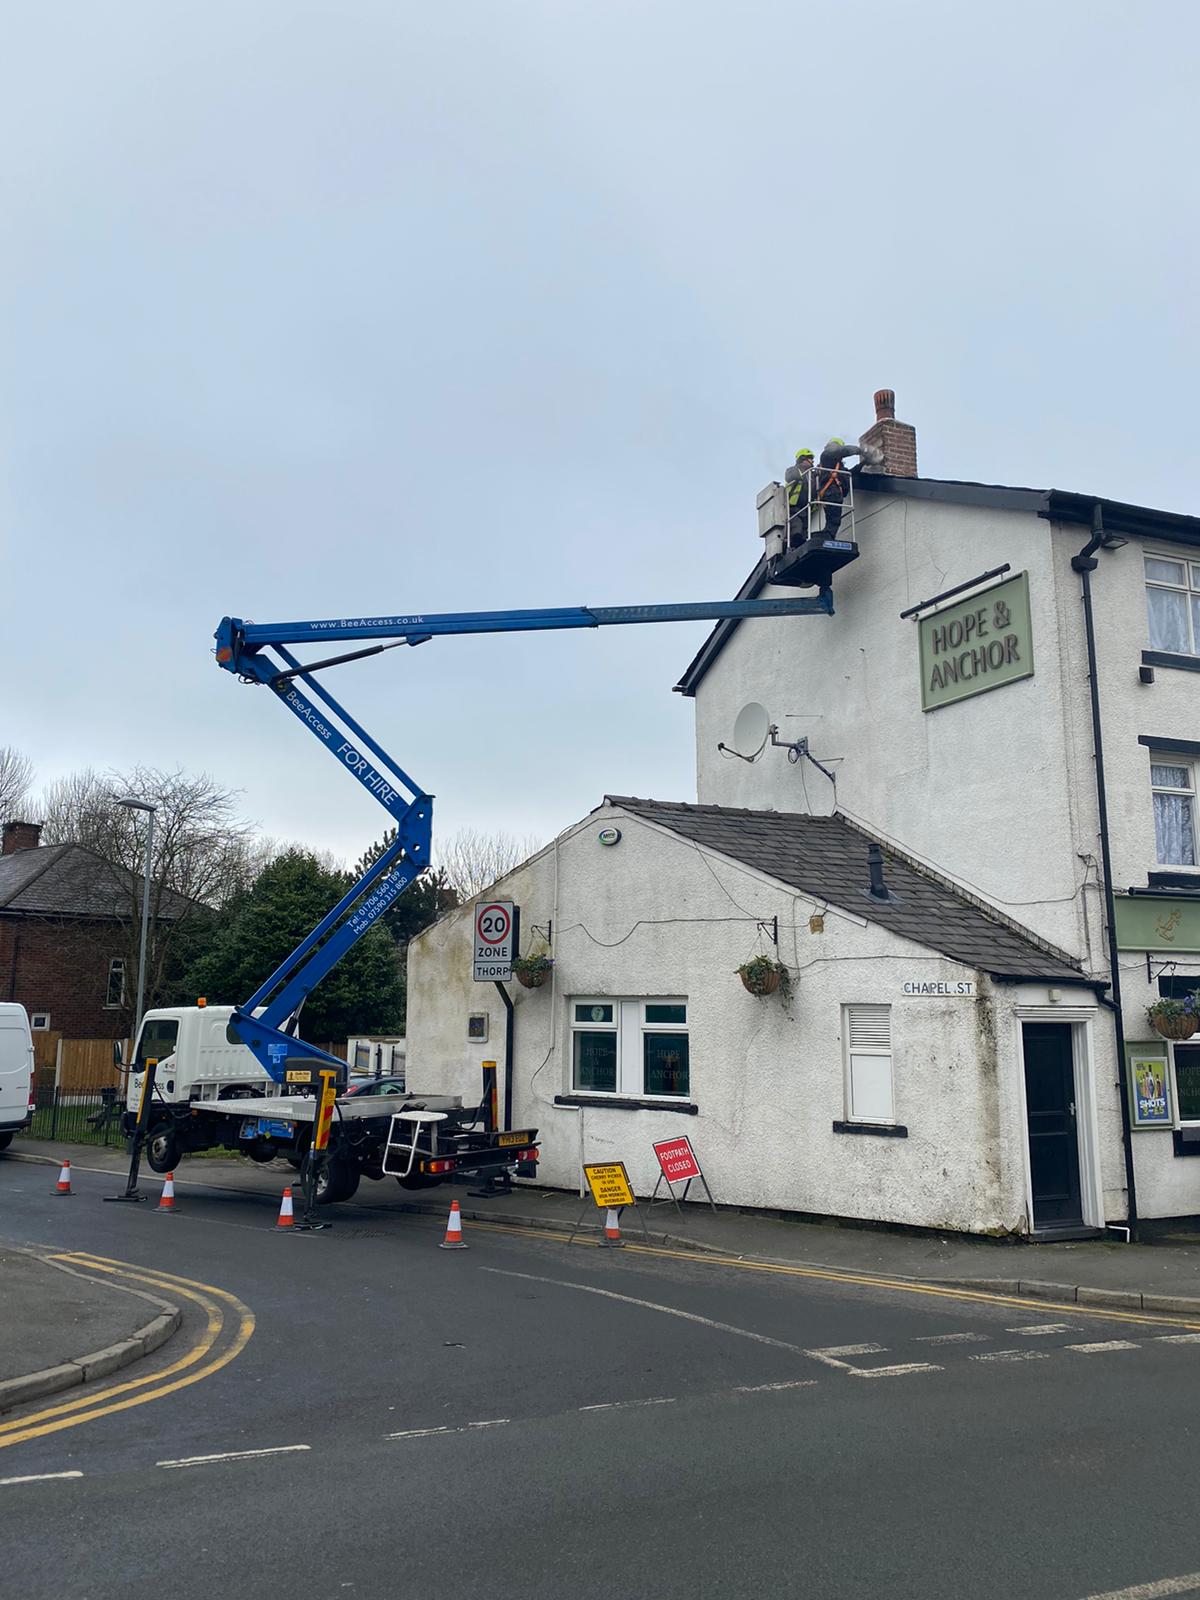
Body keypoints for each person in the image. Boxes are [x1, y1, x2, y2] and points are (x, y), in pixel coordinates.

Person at [812, 437, 862, 541]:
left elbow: (848, 474)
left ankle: (826, 536)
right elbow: (842, 451)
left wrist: (862, 464)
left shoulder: (835, 465)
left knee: (832, 520)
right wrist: (861, 450)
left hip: (832, 493)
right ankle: (827, 537)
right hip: (831, 492)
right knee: (834, 520)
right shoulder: (827, 454)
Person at [783, 448, 814, 544]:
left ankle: (800, 544)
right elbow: (791, 476)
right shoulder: (793, 470)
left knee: (804, 530)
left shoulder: (811, 475)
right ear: (802, 459)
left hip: (805, 508)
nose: (812, 461)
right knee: (796, 528)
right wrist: (799, 476)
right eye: (810, 458)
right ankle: (793, 544)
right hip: (793, 507)